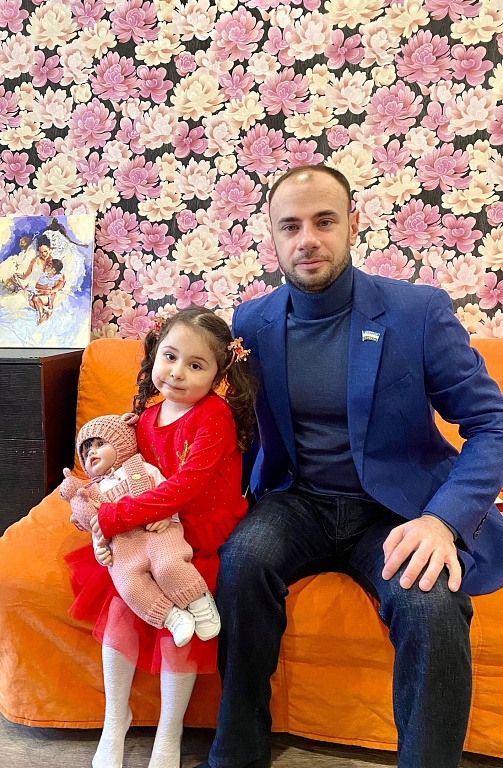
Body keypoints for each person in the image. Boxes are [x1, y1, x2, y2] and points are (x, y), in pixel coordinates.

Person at [195, 165, 503, 768]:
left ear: (354, 225)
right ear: (272, 235)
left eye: (324, 221)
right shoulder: (251, 322)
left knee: (431, 603)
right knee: (241, 561)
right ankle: (235, 754)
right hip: (296, 501)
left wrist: (443, 521)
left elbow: (491, 424)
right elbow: (230, 425)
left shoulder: (418, 312)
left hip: (395, 509)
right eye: (290, 226)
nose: (307, 239)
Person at [64, 306, 256, 768]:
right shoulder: (146, 419)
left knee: (181, 626)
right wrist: (103, 527)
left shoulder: (214, 416)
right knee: (121, 609)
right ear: (154, 355)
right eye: (170, 357)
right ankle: (115, 721)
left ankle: (170, 734)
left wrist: (113, 519)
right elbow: (122, 475)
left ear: (219, 374)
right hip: (150, 529)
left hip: (199, 534)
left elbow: (186, 485)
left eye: (196, 365)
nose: (177, 372)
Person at [61, 413, 220, 648]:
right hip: (123, 546)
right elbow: (96, 527)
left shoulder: (143, 468)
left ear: (121, 443)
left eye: (100, 444)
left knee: (168, 564)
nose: (92, 453)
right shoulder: (91, 493)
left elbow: (168, 494)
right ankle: (172, 617)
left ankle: (198, 601)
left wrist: (168, 516)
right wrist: (99, 549)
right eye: (85, 452)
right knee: (128, 585)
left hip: (156, 531)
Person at [26, 258, 65, 324]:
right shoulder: (44, 275)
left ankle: (41, 318)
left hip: (49, 298)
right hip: (41, 294)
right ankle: (44, 311)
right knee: (31, 302)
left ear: (54, 270)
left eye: (49, 266)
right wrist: (44, 287)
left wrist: (50, 305)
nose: (46, 266)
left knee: (36, 298)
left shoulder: (57, 277)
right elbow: (37, 285)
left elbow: (55, 290)